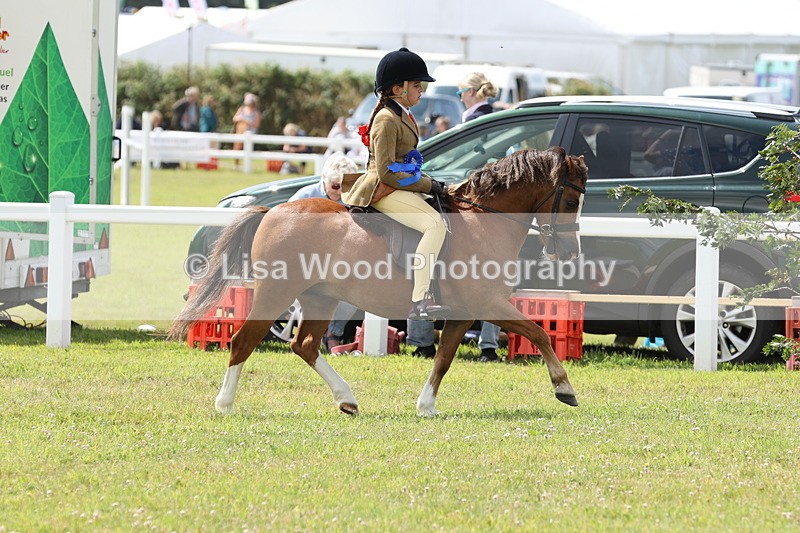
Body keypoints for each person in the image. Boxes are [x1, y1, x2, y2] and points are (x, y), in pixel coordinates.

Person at [340, 47, 449, 320]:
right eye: (416, 85)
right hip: (383, 188)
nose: (421, 91)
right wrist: (426, 184)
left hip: (398, 184)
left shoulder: (403, 113)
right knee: (434, 224)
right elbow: (387, 172)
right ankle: (420, 300)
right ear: (398, 88)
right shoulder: (387, 119)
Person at [288, 153, 362, 351]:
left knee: (357, 286)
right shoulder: (304, 196)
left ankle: (332, 333)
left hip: (340, 263)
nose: (340, 192)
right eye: (335, 186)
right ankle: (311, 335)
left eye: (345, 187)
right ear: (324, 180)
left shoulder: (355, 200)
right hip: (306, 262)